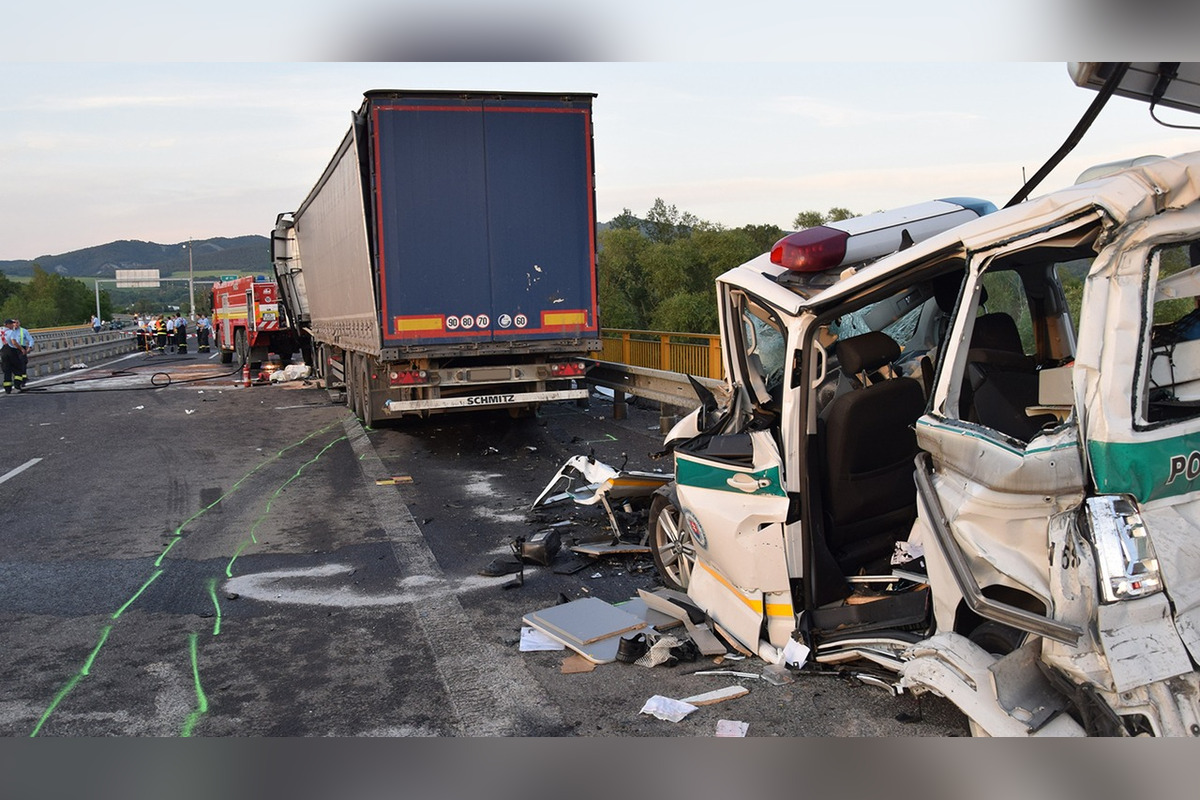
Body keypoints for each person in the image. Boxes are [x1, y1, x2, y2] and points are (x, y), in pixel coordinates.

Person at [1, 318, 34, 393]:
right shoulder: (10, 332)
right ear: (7, 325)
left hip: (3, 352)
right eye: (11, 323)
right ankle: (17, 385)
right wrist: (22, 349)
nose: (13, 325)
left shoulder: (1, 330)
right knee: (18, 368)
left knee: (7, 370)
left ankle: (7, 389)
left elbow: (30, 340)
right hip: (13, 351)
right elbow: (14, 342)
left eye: (15, 323)